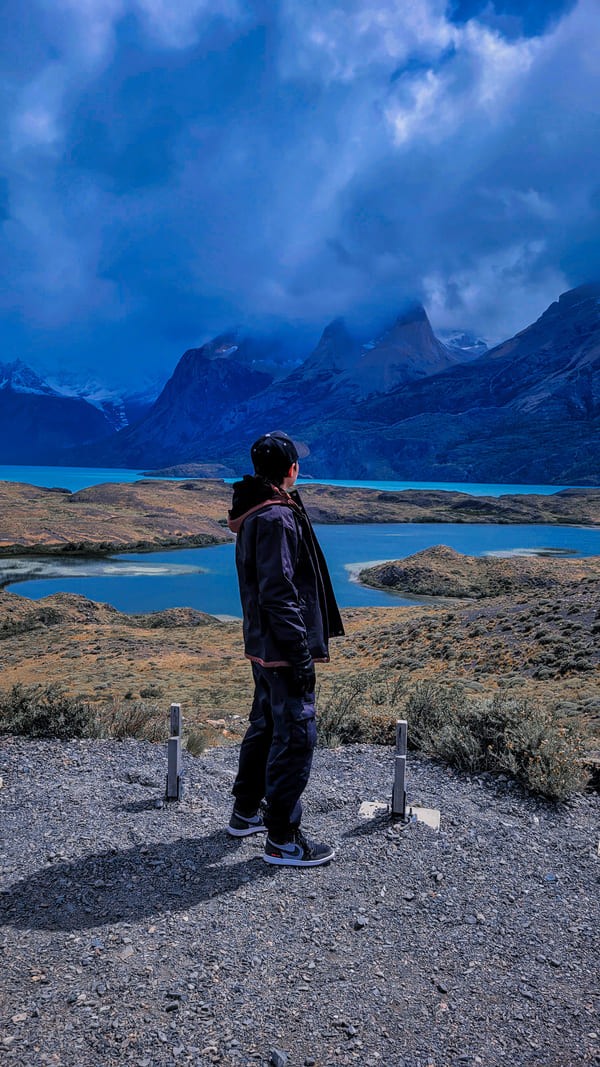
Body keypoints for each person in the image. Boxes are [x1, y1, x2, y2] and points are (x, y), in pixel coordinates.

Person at [226, 430, 344, 867]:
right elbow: (279, 593)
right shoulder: (277, 517)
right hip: (280, 650)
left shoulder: (258, 512)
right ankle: (282, 838)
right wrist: (299, 655)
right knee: (295, 735)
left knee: (266, 727)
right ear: (292, 469)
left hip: (262, 646)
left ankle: (245, 813)